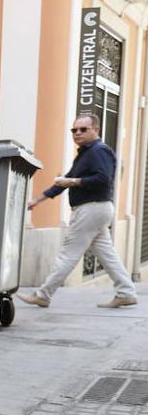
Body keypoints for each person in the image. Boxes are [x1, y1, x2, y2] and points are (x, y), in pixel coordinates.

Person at [18, 114, 138, 309]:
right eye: (74, 130)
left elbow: (102, 179)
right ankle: (126, 292)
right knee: (107, 253)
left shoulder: (99, 151)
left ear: (96, 130)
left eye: (83, 129)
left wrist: (73, 182)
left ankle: (43, 295)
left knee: (68, 253)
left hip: (91, 209)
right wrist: (37, 200)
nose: (77, 133)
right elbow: (65, 180)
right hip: (97, 209)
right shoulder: (85, 153)